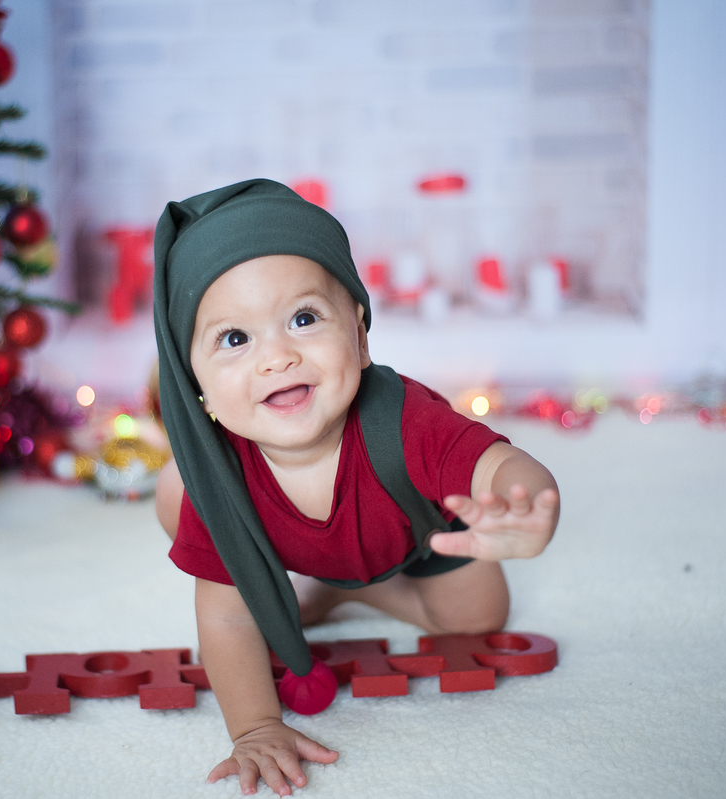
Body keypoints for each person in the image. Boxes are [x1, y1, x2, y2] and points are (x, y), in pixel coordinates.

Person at [152, 179, 559, 797]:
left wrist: (523, 504)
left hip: (419, 538)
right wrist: (257, 726)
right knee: (175, 490)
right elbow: (228, 620)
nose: (277, 357)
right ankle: (308, 583)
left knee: (478, 623)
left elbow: (497, 462)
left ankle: (359, 594)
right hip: (281, 543)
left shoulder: (403, 418)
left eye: (304, 318)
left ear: (361, 335)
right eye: (235, 339)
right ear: (197, 386)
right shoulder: (222, 477)